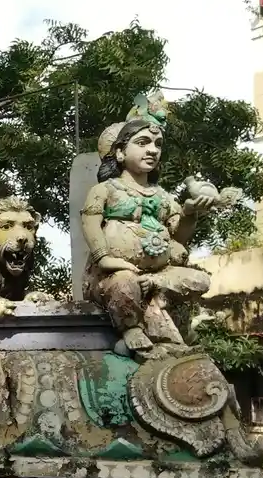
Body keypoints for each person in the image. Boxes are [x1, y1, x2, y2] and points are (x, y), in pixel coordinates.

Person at [81, 117, 214, 359]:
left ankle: (152, 286)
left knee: (200, 280)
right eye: (142, 143)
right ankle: (131, 329)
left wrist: (189, 213)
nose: (152, 150)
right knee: (125, 282)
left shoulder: (163, 196)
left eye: (157, 144)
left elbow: (179, 236)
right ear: (120, 152)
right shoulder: (106, 190)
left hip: (157, 275)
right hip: (110, 277)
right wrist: (104, 258)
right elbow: (90, 223)